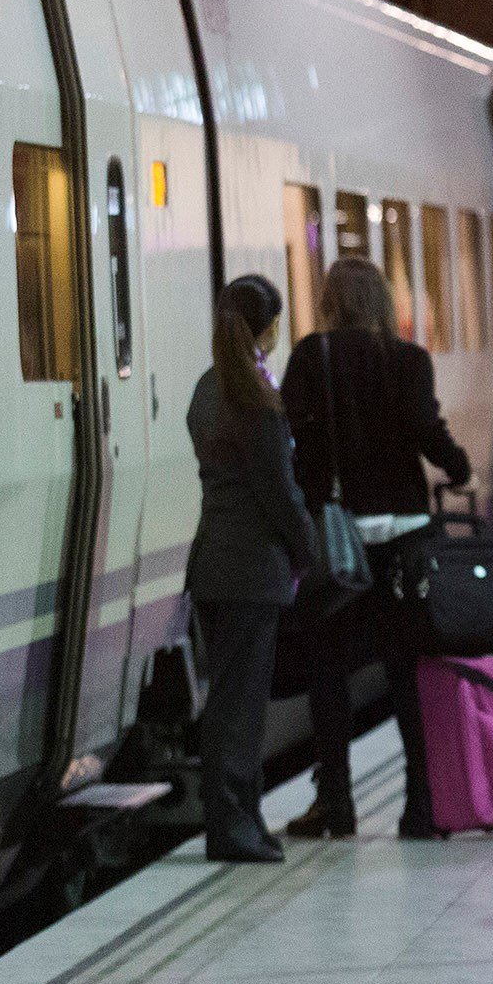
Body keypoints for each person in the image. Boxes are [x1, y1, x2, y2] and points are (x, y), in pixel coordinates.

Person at [282, 254, 471, 841]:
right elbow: (426, 429)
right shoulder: (409, 360)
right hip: (406, 539)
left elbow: (296, 439)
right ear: (385, 302)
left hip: (341, 547)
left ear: (331, 300)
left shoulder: (313, 357)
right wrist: (457, 466)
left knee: (329, 676)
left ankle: (336, 806)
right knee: (407, 670)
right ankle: (420, 806)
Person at [185, 273, 313, 863]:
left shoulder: (208, 390)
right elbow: (279, 493)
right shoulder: (256, 399)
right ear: (267, 328)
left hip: (213, 565)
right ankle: (233, 827)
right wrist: (309, 549)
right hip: (253, 570)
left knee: (229, 702)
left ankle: (241, 819)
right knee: (240, 708)